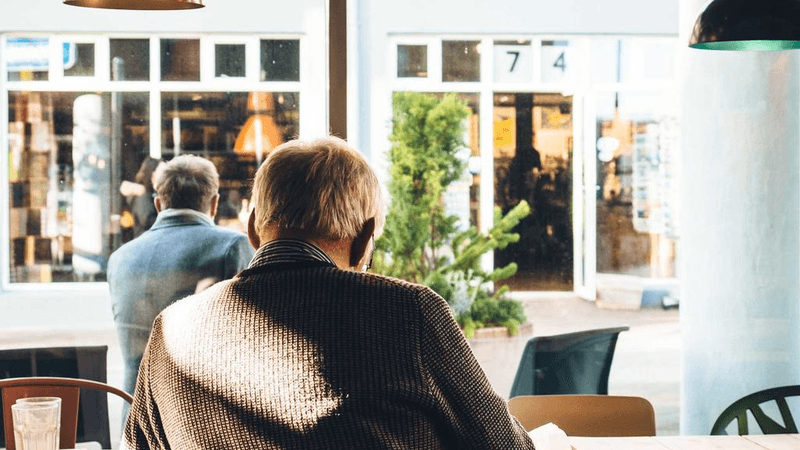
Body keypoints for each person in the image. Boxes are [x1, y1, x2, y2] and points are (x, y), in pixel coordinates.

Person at [121, 137, 535, 449]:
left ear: (251, 231)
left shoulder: (171, 330)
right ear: (364, 239)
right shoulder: (410, 313)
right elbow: (504, 446)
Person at [107, 154, 254, 397]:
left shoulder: (120, 258)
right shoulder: (232, 247)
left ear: (157, 205)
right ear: (215, 204)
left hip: (134, 420)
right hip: (199, 420)